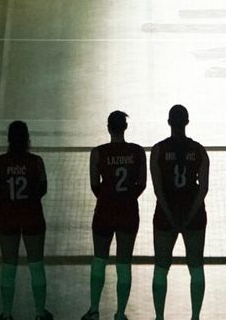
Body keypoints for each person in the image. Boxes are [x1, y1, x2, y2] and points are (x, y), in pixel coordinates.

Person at [86, 111, 148, 320]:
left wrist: (108, 197)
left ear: (108, 127)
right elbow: (142, 183)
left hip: (104, 211)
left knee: (99, 259)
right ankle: (120, 313)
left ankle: (94, 310)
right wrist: (127, 197)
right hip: (128, 212)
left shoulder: (98, 153)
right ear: (125, 127)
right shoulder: (137, 152)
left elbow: (95, 185)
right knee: (124, 262)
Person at [150, 105, 210, 320]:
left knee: (161, 267)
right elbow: (203, 188)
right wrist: (189, 215)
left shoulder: (158, 150)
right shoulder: (199, 150)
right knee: (196, 267)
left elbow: (157, 188)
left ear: (169, 123)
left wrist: (169, 214)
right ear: (186, 122)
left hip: (166, 215)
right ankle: (195, 316)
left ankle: (159, 317)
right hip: (193, 215)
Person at [0, 120, 51, 320]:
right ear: (27, 138)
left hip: (7, 216)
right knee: (36, 264)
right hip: (32, 216)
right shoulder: (36, 161)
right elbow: (43, 187)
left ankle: (7, 314)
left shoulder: (0, 162)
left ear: (9, 138)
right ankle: (39, 313)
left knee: (8, 265)